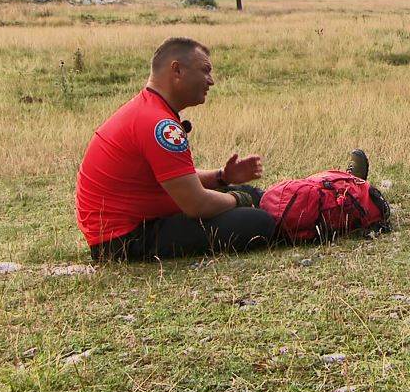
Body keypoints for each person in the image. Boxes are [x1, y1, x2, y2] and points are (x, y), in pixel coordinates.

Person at [77, 37, 365, 261]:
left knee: (254, 195)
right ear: (176, 70)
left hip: (128, 227)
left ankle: (337, 191)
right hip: (125, 240)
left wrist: (221, 179)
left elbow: (175, 181)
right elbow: (196, 204)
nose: (211, 81)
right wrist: (237, 199)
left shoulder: (147, 111)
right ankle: (341, 205)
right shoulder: (159, 125)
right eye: (205, 71)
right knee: (258, 221)